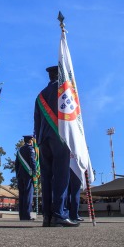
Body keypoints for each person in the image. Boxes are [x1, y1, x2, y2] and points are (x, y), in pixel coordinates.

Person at [34, 66, 79, 227]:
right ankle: (59, 214)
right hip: (60, 137)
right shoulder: (64, 90)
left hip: (42, 140)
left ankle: (47, 216)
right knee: (61, 177)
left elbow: (36, 122)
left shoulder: (39, 96)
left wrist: (39, 141)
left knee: (46, 178)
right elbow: (71, 116)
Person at [15, 135, 36, 220]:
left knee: (22, 195)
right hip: (28, 174)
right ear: (30, 141)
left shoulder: (19, 150)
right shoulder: (30, 149)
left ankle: (22, 215)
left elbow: (16, 164)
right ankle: (27, 215)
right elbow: (32, 161)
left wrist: (17, 174)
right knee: (28, 195)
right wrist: (34, 172)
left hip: (20, 175)